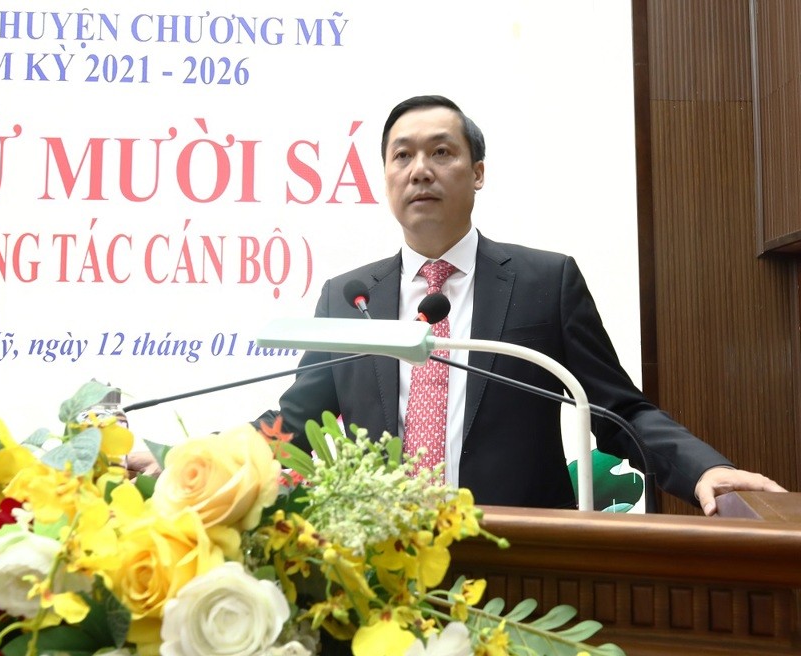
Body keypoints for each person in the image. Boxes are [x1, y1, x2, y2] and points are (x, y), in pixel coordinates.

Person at [258, 94, 786, 515]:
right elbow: (298, 421)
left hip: (523, 558)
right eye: (403, 155)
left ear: (478, 172)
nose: (420, 170)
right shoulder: (349, 298)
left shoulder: (544, 281)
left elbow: (616, 410)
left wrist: (701, 471)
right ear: (387, 178)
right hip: (383, 564)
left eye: (442, 152)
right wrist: (199, 463)